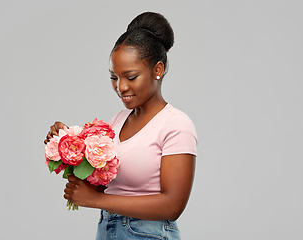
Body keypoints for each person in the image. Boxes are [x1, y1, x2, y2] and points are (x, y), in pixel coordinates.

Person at [44, 12, 197, 240]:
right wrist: (69, 149)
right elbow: (103, 187)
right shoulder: (116, 122)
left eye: (131, 77)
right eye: (114, 77)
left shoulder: (176, 125)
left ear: (157, 70)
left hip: (149, 234)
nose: (121, 87)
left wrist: (96, 200)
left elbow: (172, 205)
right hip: (108, 230)